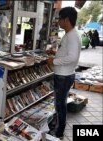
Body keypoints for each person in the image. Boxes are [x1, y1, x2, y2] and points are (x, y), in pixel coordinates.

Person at [46, 7, 81, 139]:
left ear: (66, 19)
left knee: (60, 105)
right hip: (65, 74)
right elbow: (69, 54)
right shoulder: (71, 34)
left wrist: (54, 61)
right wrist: (57, 53)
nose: (58, 21)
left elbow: (72, 57)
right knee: (60, 103)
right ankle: (58, 127)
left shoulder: (71, 36)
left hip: (63, 76)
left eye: (60, 18)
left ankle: (58, 132)